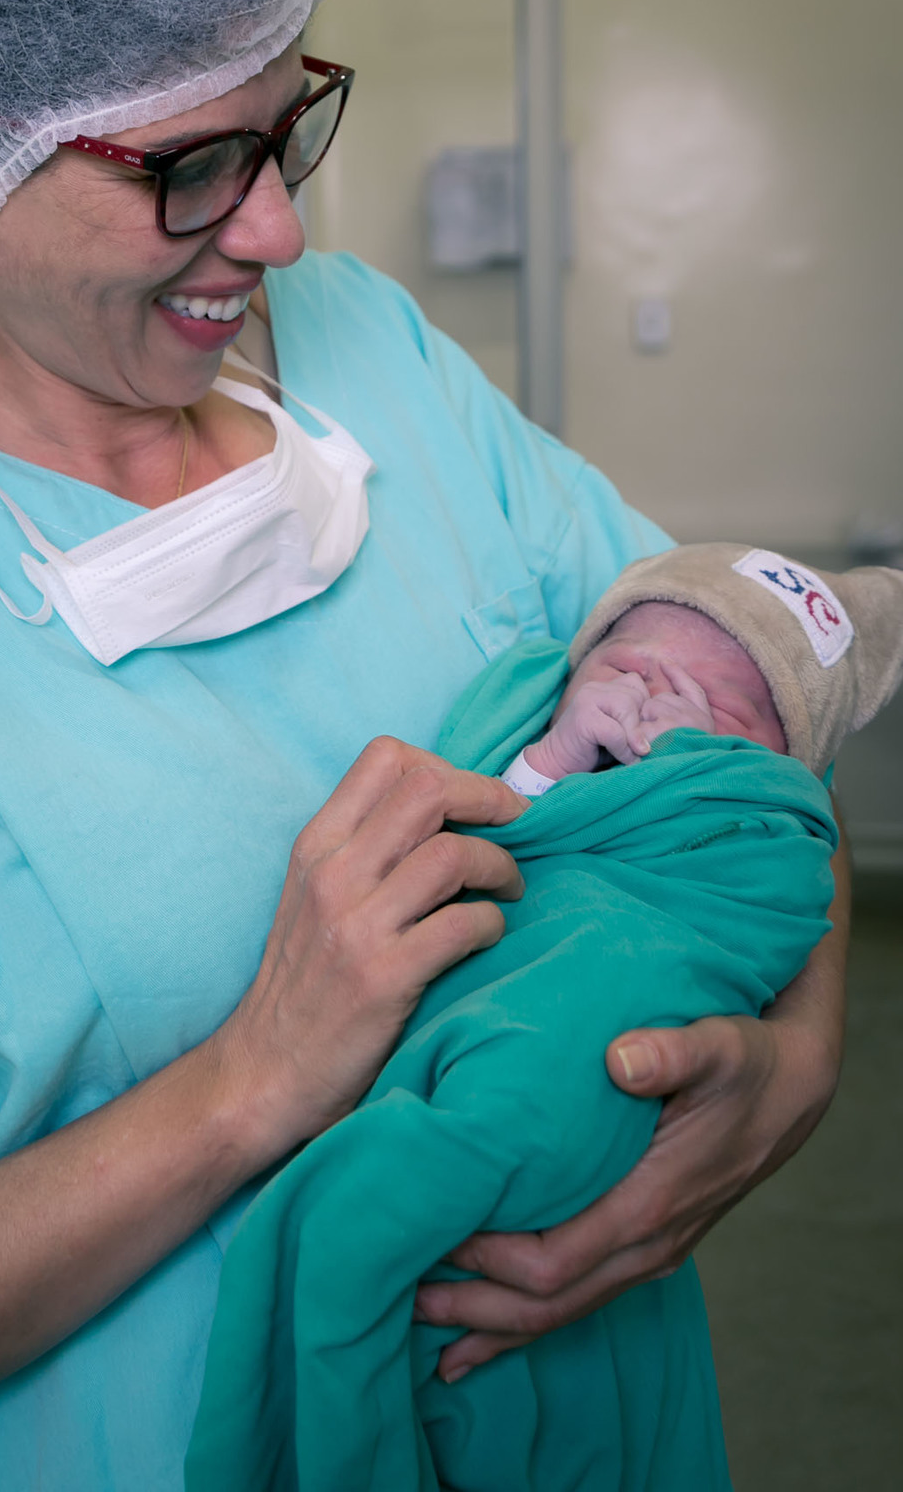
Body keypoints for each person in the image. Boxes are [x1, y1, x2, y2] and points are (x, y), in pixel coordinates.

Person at [0, 0, 849, 1492]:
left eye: (292, 120)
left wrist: (796, 1064)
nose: (281, 229)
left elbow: (747, 694)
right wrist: (254, 1077)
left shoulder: (373, 353)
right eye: (192, 166)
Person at [185, 545, 903, 1491]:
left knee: (468, 1170)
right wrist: (550, 759)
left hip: (606, 999)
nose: (660, 697)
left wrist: (696, 770)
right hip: (472, 997)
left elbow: (784, 874)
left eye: (727, 711)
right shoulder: (538, 741)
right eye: (630, 665)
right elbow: (481, 824)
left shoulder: (757, 821)